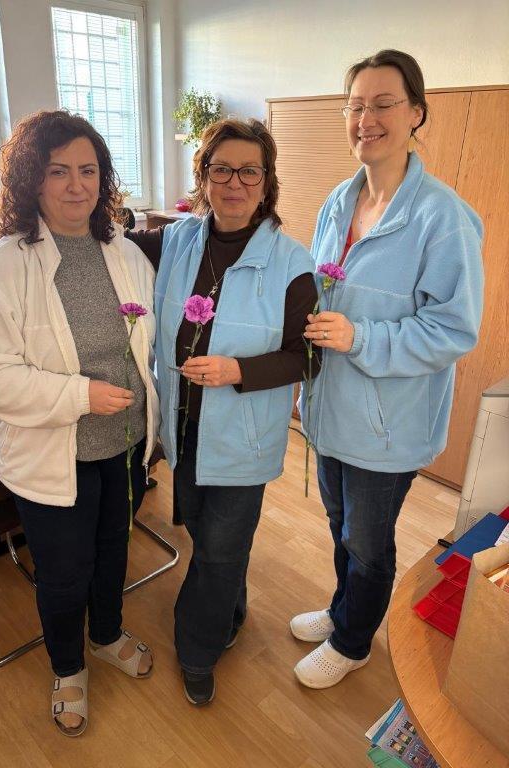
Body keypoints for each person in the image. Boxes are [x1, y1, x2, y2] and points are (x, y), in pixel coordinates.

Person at [0, 110, 159, 735]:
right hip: (53, 453)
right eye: (58, 171)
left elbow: (147, 341)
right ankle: (68, 668)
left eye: (88, 171)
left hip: (123, 444)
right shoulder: (5, 265)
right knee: (65, 574)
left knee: (113, 551)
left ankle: (107, 634)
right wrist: (78, 395)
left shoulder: (124, 252)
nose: (76, 186)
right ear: (31, 180)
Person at [291, 49, 484, 689]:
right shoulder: (337, 202)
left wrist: (360, 337)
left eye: (383, 104)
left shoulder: (442, 218)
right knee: (340, 527)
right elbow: (321, 295)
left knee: (367, 542)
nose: (365, 119)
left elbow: (453, 329)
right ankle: (342, 609)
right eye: (355, 106)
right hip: (330, 408)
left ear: (416, 114)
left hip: (386, 425)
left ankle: (352, 642)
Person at [126, 118, 318, 705]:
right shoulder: (178, 239)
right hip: (184, 427)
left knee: (217, 549)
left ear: (266, 181)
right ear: (204, 177)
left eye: (249, 171)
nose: (235, 183)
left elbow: (308, 356)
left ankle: (197, 650)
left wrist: (239, 370)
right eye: (222, 170)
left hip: (242, 436)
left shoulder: (292, 263)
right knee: (212, 537)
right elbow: (114, 241)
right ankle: (231, 610)